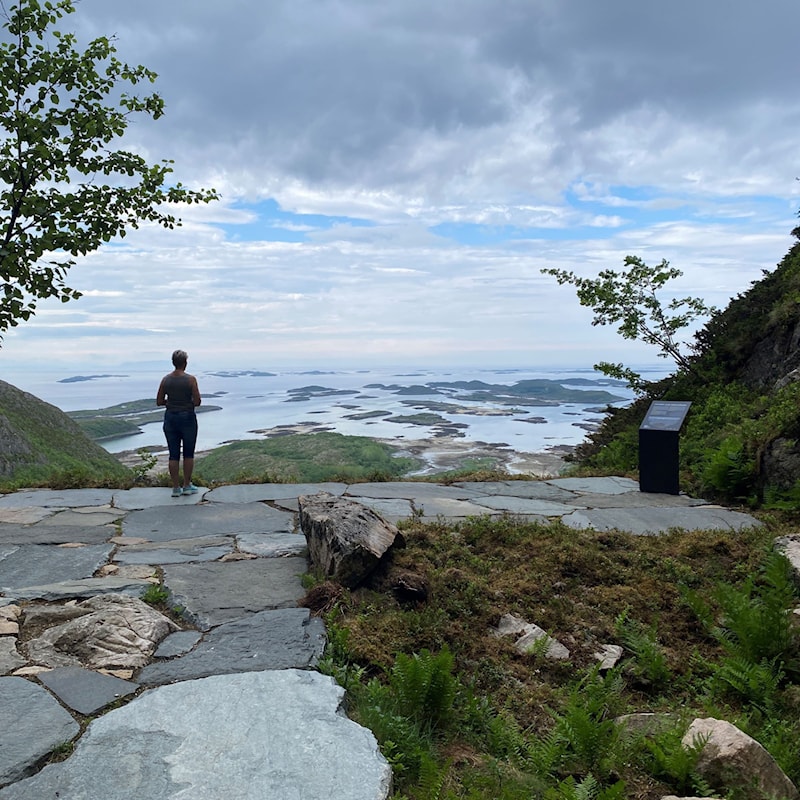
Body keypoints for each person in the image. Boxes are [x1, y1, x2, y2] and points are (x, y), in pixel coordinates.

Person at [156, 349, 202, 497]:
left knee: (173, 454)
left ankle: (176, 488)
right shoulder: (191, 380)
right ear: (185, 363)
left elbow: (159, 401)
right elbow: (197, 401)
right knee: (188, 453)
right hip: (187, 418)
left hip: (170, 418)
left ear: (173, 363)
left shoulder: (165, 380)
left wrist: (170, 402)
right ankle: (187, 485)